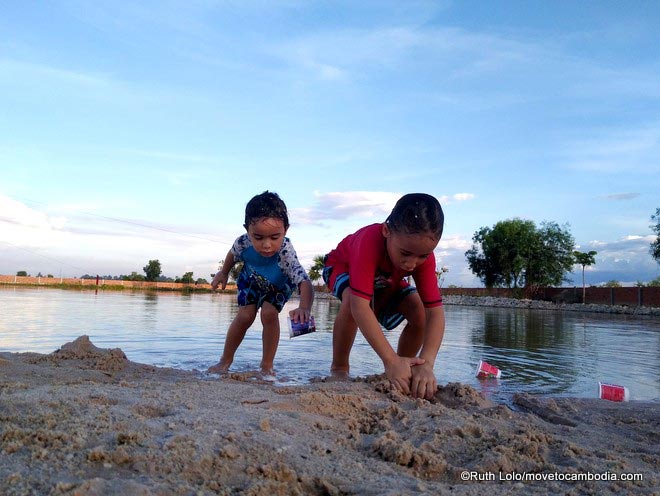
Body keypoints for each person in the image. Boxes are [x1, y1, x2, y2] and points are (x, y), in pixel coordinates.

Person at [323, 193, 445, 400]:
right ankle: (339, 368)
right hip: (342, 267)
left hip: (385, 278)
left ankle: (406, 366)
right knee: (352, 298)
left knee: (418, 311)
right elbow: (360, 306)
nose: (411, 264)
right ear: (386, 231)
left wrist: (427, 363)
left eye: (422, 256)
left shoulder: (421, 257)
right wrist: (389, 359)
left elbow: (434, 312)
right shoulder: (369, 241)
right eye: (405, 253)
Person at [208, 191, 313, 376]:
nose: (266, 245)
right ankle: (224, 361)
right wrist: (223, 272)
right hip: (250, 280)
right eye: (258, 237)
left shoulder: (286, 253)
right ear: (247, 229)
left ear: (286, 230)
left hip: (279, 285)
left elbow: (304, 282)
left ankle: (266, 366)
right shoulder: (242, 242)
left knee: (269, 314)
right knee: (245, 316)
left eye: (274, 237)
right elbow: (232, 255)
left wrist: (304, 307)